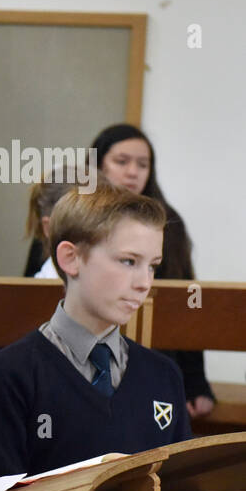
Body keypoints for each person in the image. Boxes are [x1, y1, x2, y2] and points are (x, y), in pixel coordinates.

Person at [0, 186, 206, 491]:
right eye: (127, 261)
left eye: (151, 265)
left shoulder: (162, 375)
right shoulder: (11, 373)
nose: (143, 282)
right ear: (71, 258)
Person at [92, 124, 214, 419]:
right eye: (122, 162)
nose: (133, 172)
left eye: (142, 164)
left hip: (156, 356)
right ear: (97, 164)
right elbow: (34, 290)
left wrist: (196, 383)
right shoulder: (70, 217)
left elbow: (186, 303)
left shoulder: (167, 224)